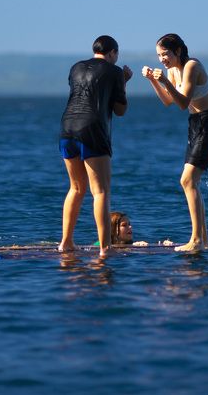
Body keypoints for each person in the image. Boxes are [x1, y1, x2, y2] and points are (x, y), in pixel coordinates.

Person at [141, 33, 208, 252]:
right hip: (195, 123)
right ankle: (202, 240)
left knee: (187, 180)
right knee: (190, 182)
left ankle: (196, 240)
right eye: (159, 55)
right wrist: (153, 80)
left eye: (165, 54)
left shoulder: (191, 66)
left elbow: (183, 101)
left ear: (178, 51)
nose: (162, 59)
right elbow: (168, 101)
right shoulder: (172, 70)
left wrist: (164, 80)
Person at [59, 35, 132, 257]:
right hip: (93, 129)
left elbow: (88, 92)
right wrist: (123, 81)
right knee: (100, 191)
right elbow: (120, 110)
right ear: (112, 53)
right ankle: (104, 248)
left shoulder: (76, 68)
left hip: (67, 127)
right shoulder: (115, 71)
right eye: (116, 55)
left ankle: (66, 242)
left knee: (76, 188)